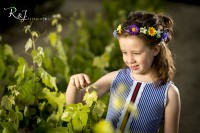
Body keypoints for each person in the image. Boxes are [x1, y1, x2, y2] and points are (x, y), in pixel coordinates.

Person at [65, 10, 181, 133]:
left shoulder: (169, 93)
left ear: (155, 50)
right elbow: (76, 103)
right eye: (124, 52)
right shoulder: (114, 78)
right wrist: (74, 85)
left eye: (136, 53)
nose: (129, 60)